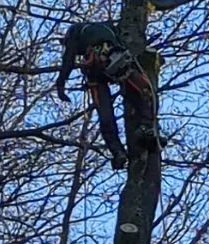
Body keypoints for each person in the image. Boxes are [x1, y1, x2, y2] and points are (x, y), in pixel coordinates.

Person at [55, 21, 158, 169]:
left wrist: (61, 83)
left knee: (106, 114)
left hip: (98, 66)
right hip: (115, 57)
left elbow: (68, 59)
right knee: (143, 92)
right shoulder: (107, 28)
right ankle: (145, 127)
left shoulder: (75, 33)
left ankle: (118, 151)